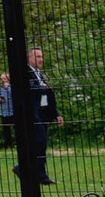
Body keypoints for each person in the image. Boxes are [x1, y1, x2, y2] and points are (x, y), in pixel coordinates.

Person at [9, 46, 64, 186]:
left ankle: (40, 175)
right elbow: (29, 89)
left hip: (43, 114)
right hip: (33, 115)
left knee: (41, 144)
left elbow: (47, 96)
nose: (41, 59)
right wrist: (42, 86)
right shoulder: (25, 73)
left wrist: (56, 113)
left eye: (42, 56)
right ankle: (25, 169)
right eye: (38, 56)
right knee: (38, 142)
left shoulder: (39, 74)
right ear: (29, 58)